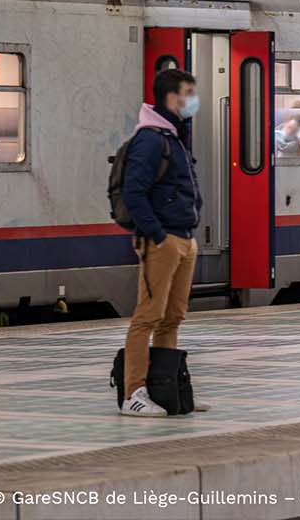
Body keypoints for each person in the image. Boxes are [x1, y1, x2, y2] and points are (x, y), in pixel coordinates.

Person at [120, 68, 205, 417]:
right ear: (172, 97)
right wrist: (157, 235)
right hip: (164, 240)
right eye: (189, 93)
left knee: (172, 318)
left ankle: (165, 389)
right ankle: (133, 393)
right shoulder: (150, 140)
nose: (194, 100)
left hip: (184, 237)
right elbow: (133, 192)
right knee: (148, 317)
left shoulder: (174, 136)